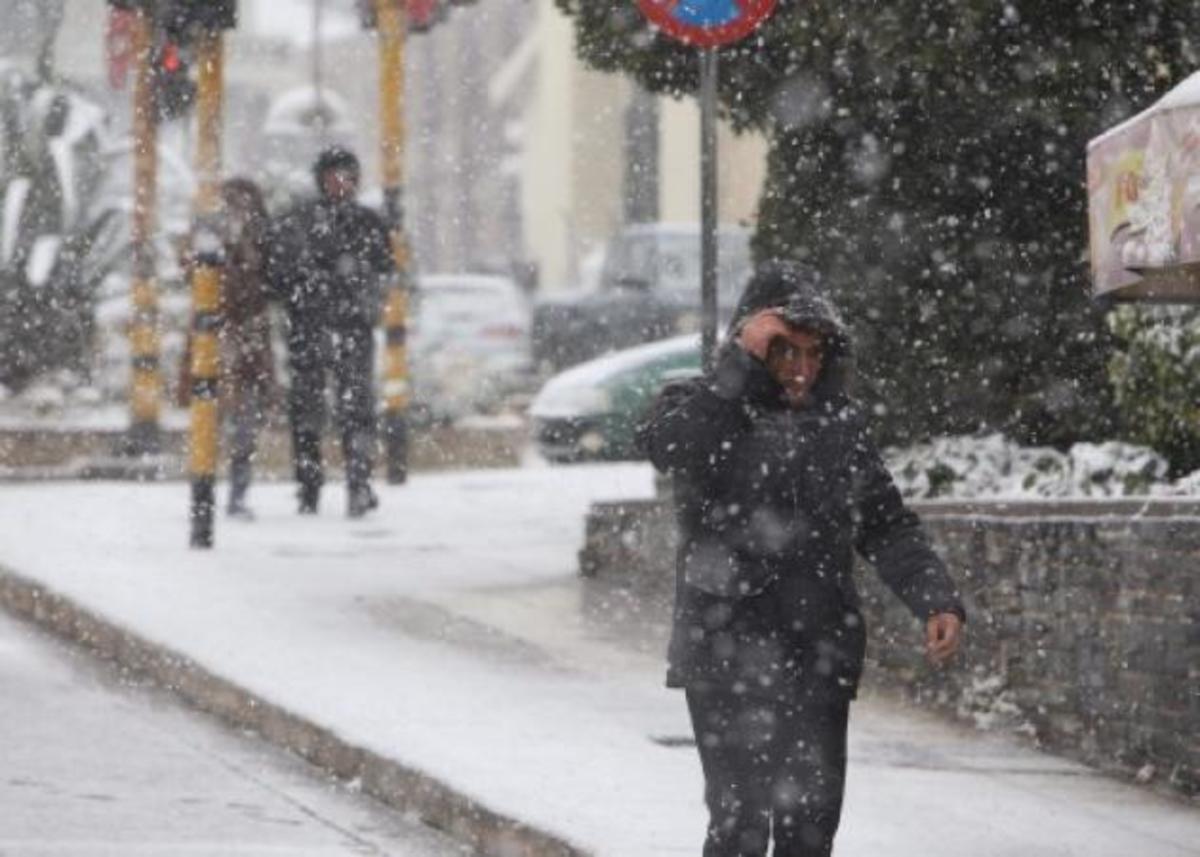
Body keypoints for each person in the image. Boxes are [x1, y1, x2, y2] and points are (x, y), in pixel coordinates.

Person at [637, 261, 965, 857]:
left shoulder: (838, 423)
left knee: (810, 831)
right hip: (724, 650)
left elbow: (887, 524)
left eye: (815, 353)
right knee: (738, 826)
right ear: (751, 344)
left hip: (819, 650)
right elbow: (675, 449)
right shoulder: (701, 403)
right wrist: (738, 368)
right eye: (785, 350)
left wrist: (934, 596)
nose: (802, 368)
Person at [266, 146, 393, 518]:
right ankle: (309, 487)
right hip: (310, 328)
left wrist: (362, 300)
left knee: (356, 409)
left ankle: (358, 483)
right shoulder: (298, 222)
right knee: (307, 411)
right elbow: (278, 276)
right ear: (321, 180)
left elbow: (383, 270)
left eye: (348, 176)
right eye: (334, 176)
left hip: (351, 329)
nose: (342, 183)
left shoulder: (367, 223)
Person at [178, 178, 276, 520]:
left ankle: (233, 492)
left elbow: (270, 282)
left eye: (244, 208)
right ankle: (206, 490)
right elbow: (190, 270)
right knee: (213, 423)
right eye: (232, 207)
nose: (238, 216)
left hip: (245, 341)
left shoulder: (263, 241)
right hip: (217, 339)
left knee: (243, 427)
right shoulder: (207, 239)